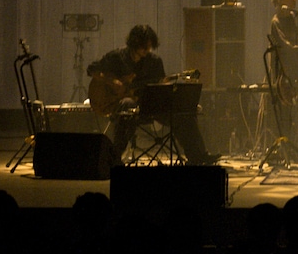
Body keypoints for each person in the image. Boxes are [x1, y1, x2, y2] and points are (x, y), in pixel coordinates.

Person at [87, 24, 216, 165]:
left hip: (150, 105)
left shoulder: (154, 61)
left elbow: (160, 88)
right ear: (135, 43)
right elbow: (92, 69)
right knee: (127, 104)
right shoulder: (116, 57)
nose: (147, 50)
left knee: (183, 114)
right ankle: (115, 158)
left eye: (149, 46)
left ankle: (197, 156)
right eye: (144, 46)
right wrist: (112, 81)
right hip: (126, 105)